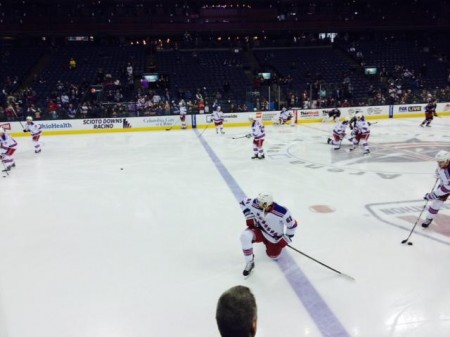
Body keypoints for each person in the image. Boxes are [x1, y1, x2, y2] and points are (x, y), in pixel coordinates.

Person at [239, 192, 298, 276]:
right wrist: (249, 216)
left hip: (275, 239)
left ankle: (268, 244)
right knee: (245, 236)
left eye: (260, 203)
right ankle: (250, 262)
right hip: (259, 230)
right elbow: (243, 202)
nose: (257, 203)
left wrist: (286, 238)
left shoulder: (282, 212)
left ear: (266, 204)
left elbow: (293, 226)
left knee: (273, 256)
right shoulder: (255, 203)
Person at [422, 150, 450, 228]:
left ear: (447, 160)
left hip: (447, 186)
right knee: (436, 203)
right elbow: (439, 170)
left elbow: (447, 188)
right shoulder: (444, 165)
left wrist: (433, 195)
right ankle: (429, 218)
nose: (439, 164)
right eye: (438, 162)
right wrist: (438, 173)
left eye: (441, 162)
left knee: (436, 197)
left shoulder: (448, 172)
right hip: (445, 185)